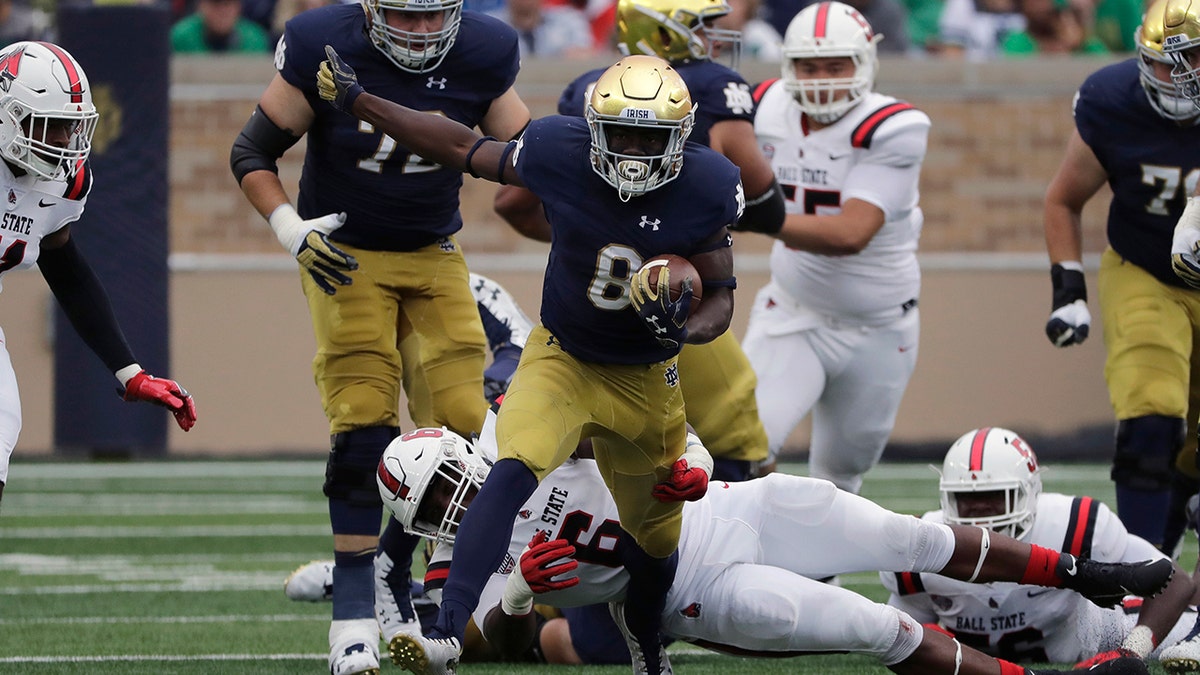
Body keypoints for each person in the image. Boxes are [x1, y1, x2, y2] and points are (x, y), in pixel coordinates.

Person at [318, 51, 744, 675]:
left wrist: (683, 324)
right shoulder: (556, 148)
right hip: (562, 355)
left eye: (647, 136)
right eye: (618, 132)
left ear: (680, 137)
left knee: (656, 541)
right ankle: (445, 634)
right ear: (593, 129)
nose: (630, 150)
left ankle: (647, 645)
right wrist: (362, 102)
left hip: (647, 373)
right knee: (511, 466)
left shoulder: (708, 184)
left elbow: (722, 296)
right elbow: (462, 145)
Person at [228, 0, 531, 671]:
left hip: (433, 249)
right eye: (404, 15)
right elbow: (252, 149)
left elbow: (525, 154)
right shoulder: (320, 42)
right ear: (370, 9)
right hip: (343, 249)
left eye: (433, 17)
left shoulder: (484, 51)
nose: (421, 31)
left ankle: (411, 582)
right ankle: (353, 620)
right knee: (363, 422)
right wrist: (288, 226)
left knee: (466, 430)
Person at [377, 423, 1172, 675]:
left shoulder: (517, 436)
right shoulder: (465, 564)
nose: (458, 504)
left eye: (450, 482)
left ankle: (1094, 573)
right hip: (694, 591)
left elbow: (623, 416)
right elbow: (486, 646)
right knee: (872, 625)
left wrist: (684, 456)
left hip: (732, 508)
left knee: (907, 533)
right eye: (437, 507)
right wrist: (517, 592)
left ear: (464, 453)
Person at [494, 0, 783, 482]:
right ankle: (729, 538)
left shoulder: (591, 91)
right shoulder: (713, 88)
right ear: (663, 35)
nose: (715, 40)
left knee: (588, 433)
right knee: (733, 429)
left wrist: (594, 242)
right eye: (701, 29)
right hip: (676, 294)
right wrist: (673, 233)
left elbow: (511, 204)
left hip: (589, 306)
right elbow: (767, 205)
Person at [732, 1, 929, 493]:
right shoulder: (764, 105)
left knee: (842, 473)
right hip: (794, 312)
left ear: (865, 64)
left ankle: (824, 571)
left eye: (836, 66)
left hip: (879, 327)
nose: (821, 79)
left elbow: (850, 234)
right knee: (740, 448)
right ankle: (755, 547)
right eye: (808, 66)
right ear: (787, 65)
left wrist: (746, 213)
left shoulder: (895, 127)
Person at [0, 41, 197, 509]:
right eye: (50, 126)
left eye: (71, 127)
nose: (64, 142)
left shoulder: (64, 181)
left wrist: (129, 371)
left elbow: (63, 265)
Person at [1042, 0, 1200, 557]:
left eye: (1188, 59)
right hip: (1146, 270)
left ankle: (1169, 542)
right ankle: (1140, 574)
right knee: (1149, 415)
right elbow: (1064, 200)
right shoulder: (1113, 101)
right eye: (1159, 62)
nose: (1170, 77)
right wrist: (1069, 291)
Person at [880, 427, 1195, 670]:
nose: (979, 511)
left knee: (1192, 625)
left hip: (1101, 634)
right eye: (965, 499)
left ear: (1028, 494)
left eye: (994, 496)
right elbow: (903, 630)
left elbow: (1175, 580)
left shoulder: (1073, 526)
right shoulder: (925, 545)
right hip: (1027, 658)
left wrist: (1134, 649)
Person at [170, 0, 274, 53]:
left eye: (227, 4)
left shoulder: (256, 39)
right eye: (215, 4)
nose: (222, 12)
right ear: (201, 6)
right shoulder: (180, 37)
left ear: (238, 6)